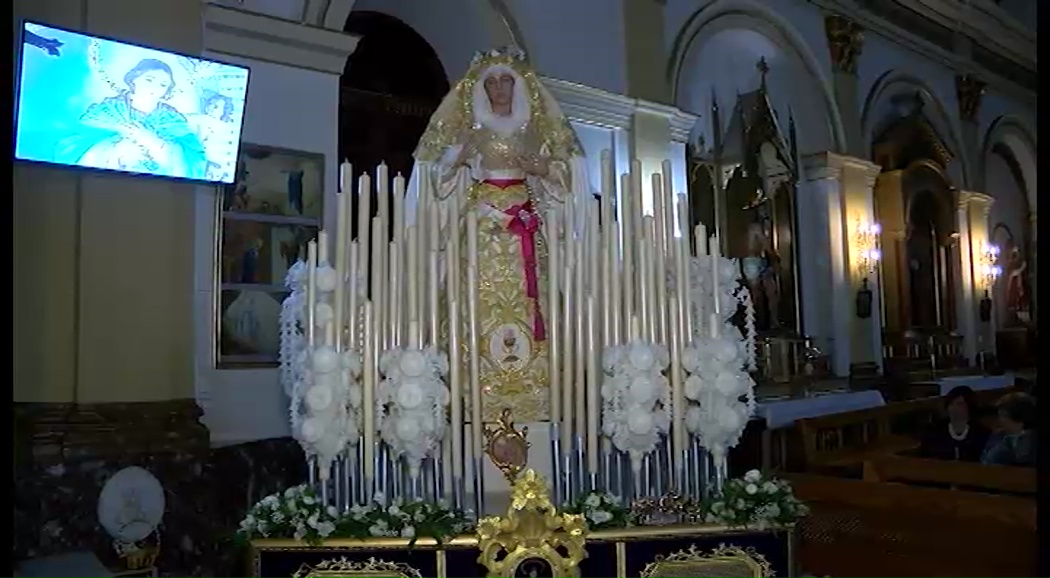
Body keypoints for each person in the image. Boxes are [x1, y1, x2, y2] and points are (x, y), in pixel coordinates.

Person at [406, 46, 590, 423]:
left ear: (519, 86)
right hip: (482, 222)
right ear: (481, 90)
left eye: (507, 81)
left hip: (523, 218)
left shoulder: (533, 130)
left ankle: (533, 390)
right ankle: (474, 385)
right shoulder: (469, 129)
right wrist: (457, 158)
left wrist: (542, 167)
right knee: (473, 295)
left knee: (531, 294)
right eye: (492, 83)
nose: (500, 89)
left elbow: (565, 176)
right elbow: (438, 177)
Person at [55, 58, 207, 179]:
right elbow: (71, 146)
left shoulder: (172, 119)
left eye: (163, 84)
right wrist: (117, 149)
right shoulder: (107, 111)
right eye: (149, 79)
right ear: (134, 79)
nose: (155, 87)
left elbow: (195, 161)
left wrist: (154, 143)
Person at [918, 386, 990, 462]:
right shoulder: (934, 430)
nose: (953, 408)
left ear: (970, 406)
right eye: (951, 404)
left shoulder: (982, 433)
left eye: (959, 404)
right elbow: (925, 457)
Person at [981, 392, 1037, 467]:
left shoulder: (1034, 441)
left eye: (1003, 416)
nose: (999, 420)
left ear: (1019, 419)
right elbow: (986, 463)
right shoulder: (998, 438)